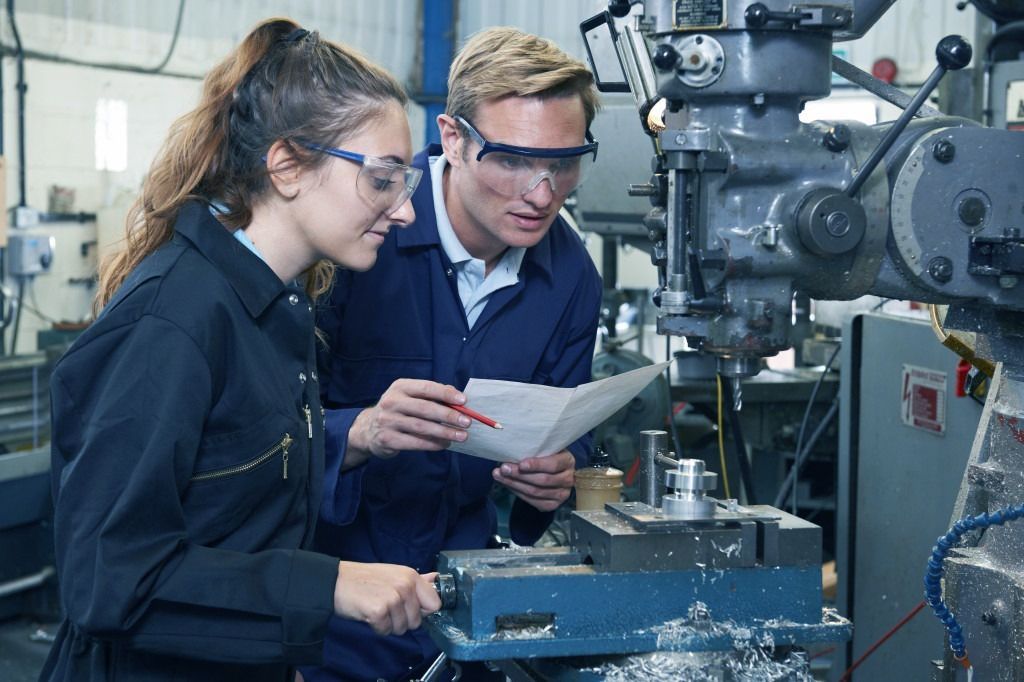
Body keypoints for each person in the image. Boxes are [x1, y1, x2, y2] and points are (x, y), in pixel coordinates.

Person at [40, 18, 442, 682]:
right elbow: (108, 580)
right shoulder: (173, 322)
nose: (403, 211)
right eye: (382, 179)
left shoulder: (282, 308)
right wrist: (328, 586)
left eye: (408, 182)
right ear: (286, 165)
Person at [306, 27, 603, 682]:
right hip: (335, 610)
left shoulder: (572, 279)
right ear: (453, 138)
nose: (543, 193)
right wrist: (357, 431)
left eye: (564, 163)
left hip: (468, 606)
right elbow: (256, 434)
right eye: (515, 160)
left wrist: (561, 475)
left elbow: (575, 428)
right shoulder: (357, 238)